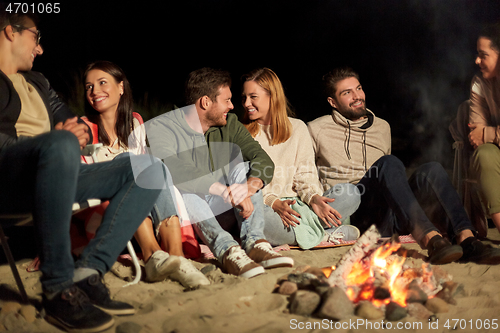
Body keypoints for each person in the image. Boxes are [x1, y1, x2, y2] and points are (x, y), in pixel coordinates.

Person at [0, 11, 164, 332]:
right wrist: (58, 140)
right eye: (36, 38)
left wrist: (77, 133)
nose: (40, 48)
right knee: (60, 143)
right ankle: (58, 288)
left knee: (147, 168)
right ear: (10, 33)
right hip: (11, 179)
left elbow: (77, 124)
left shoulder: (39, 82)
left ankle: (88, 271)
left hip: (57, 175)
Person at [308, 66, 500, 265]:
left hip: (388, 214)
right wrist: (314, 198)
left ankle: (466, 239)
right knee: (388, 163)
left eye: (359, 88)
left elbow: (390, 179)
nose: (357, 96)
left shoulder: (382, 127)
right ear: (333, 102)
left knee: (431, 170)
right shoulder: (317, 129)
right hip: (356, 212)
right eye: (347, 93)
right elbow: (304, 171)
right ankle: (429, 239)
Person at [145, 67, 294, 279]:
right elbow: (170, 167)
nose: (233, 106)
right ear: (206, 102)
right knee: (184, 190)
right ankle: (228, 251)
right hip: (188, 215)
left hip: (226, 210)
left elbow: (262, 159)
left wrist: (248, 187)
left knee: (244, 168)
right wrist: (223, 190)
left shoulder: (229, 125)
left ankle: (255, 243)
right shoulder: (163, 127)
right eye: (227, 100)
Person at [82, 60, 209, 288]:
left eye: (102, 83)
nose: (95, 91)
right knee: (130, 163)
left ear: (121, 87)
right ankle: (152, 255)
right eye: (89, 86)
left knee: (154, 166)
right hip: (105, 209)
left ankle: (176, 256)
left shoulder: (135, 122)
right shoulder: (84, 128)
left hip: (144, 209)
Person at [241, 68, 361, 249]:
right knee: (253, 215)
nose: (246, 103)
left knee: (351, 193)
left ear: (272, 97)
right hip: (271, 209)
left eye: (253, 97)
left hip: (301, 206)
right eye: (244, 97)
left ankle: (308, 232)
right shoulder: (241, 133)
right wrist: (274, 203)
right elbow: (246, 184)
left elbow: (305, 174)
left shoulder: (297, 128)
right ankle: (324, 236)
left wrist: (314, 199)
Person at [468, 23, 500, 234]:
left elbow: (483, 133)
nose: (477, 61)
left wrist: (489, 133)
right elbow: (475, 132)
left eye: (483, 55)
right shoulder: (480, 83)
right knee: (484, 154)